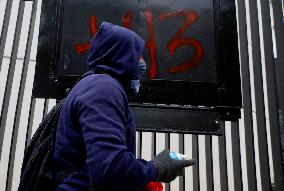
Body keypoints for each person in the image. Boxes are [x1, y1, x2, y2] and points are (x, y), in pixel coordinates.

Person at [53, 22, 196, 191]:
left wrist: (139, 182)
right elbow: (110, 169)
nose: (142, 61)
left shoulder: (93, 86)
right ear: (119, 54)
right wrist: (157, 168)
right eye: (137, 55)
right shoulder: (103, 89)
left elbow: (98, 166)